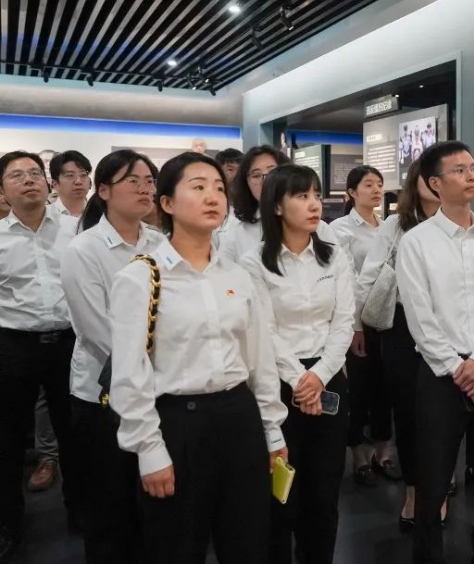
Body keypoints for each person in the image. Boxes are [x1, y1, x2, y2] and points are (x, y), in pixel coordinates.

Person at [108, 152, 288, 564]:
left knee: (247, 542)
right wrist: (149, 449)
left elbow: (259, 362)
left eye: (219, 189)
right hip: (177, 424)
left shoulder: (237, 275)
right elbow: (130, 375)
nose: (213, 197)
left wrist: (273, 432)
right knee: (176, 545)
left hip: (239, 418)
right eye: (198, 187)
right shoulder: (141, 277)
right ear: (167, 203)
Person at [396, 141, 474, 564]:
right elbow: (420, 317)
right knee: (432, 478)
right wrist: (459, 369)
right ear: (435, 183)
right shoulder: (416, 242)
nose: (471, 176)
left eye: (473, 168)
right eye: (459, 170)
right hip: (438, 374)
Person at [242, 164, 354, 564]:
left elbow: (344, 322)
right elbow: (263, 330)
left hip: (329, 378)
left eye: (316, 195)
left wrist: (318, 376)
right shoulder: (254, 262)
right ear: (276, 206)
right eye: (301, 196)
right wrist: (299, 379)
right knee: (281, 494)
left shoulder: (334, 256)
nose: (314, 204)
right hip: (276, 384)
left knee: (324, 494)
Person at [61, 149, 163, 564]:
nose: (144, 189)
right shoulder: (84, 249)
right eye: (132, 181)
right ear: (103, 191)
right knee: (109, 506)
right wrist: (155, 368)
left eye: (149, 181)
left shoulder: (160, 243)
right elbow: (96, 330)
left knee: (150, 503)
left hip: (157, 389)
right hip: (103, 395)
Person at [0, 151, 83, 561]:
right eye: (17, 175)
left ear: (47, 182)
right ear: (3, 189)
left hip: (70, 343)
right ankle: (8, 525)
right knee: (8, 439)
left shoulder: (76, 229)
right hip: (13, 346)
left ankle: (81, 513)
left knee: (76, 434)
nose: (29, 179)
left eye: (35, 172)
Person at [357, 159, 446, 532]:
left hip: (448, 326)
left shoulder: (463, 224)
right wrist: (357, 325)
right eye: (429, 175)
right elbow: (368, 278)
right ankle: (413, 491)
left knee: (443, 415)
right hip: (402, 327)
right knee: (408, 414)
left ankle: (438, 488)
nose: (437, 181)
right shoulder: (396, 225)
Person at [328, 166, 399, 487]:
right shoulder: (340, 229)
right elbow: (348, 280)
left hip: (388, 319)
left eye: (379, 184)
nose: (376, 190)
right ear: (351, 192)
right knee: (358, 390)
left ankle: (383, 452)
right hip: (358, 321)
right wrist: (355, 326)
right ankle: (358, 454)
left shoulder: (388, 226)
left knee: (386, 389)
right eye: (368, 184)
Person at [31, 150, 93, 491]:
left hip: (88, 321)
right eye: (70, 175)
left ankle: (84, 459)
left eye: (83, 173)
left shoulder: (99, 215)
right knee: (46, 399)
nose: (78, 180)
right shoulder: (45, 219)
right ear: (54, 182)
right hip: (52, 321)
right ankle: (47, 456)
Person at [221, 145, 335, 261]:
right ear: (246, 183)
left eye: (272, 172)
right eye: (256, 176)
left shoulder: (320, 229)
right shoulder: (237, 232)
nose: (265, 181)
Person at [49, 150, 92, 218]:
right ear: (55, 184)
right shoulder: (44, 216)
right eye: (70, 175)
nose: (78, 181)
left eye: (83, 175)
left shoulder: (101, 215)